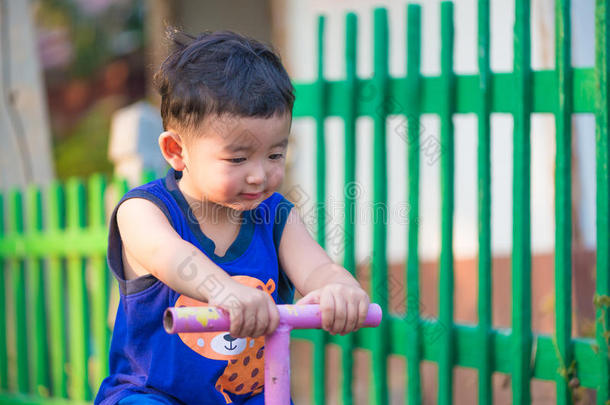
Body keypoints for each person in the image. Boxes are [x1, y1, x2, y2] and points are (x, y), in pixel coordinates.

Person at [95, 28, 370, 405]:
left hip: (249, 394)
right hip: (152, 393)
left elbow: (318, 269)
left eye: (275, 155)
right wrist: (222, 291)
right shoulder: (143, 211)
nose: (260, 174)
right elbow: (173, 257)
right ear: (177, 150)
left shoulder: (275, 217)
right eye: (238, 158)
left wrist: (341, 289)